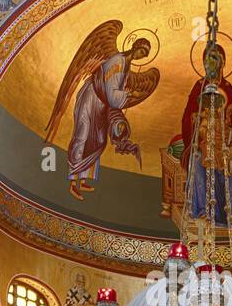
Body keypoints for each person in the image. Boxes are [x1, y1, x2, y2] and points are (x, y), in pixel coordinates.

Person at [48, 22, 158, 200]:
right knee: (82, 135)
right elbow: (112, 95)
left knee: (97, 139)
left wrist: (126, 99)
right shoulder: (117, 61)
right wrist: (131, 95)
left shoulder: (127, 67)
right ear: (135, 46)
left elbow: (114, 98)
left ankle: (84, 179)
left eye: (144, 55)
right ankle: (72, 181)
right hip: (91, 97)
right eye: (141, 51)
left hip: (102, 106)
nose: (141, 56)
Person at [180, 44, 232, 228]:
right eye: (207, 60)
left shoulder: (228, 88)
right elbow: (187, 118)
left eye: (215, 59)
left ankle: (228, 217)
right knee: (197, 159)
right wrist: (196, 119)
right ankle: (201, 210)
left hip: (224, 144)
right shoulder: (198, 87)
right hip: (203, 143)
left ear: (223, 62)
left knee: (229, 167)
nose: (211, 64)